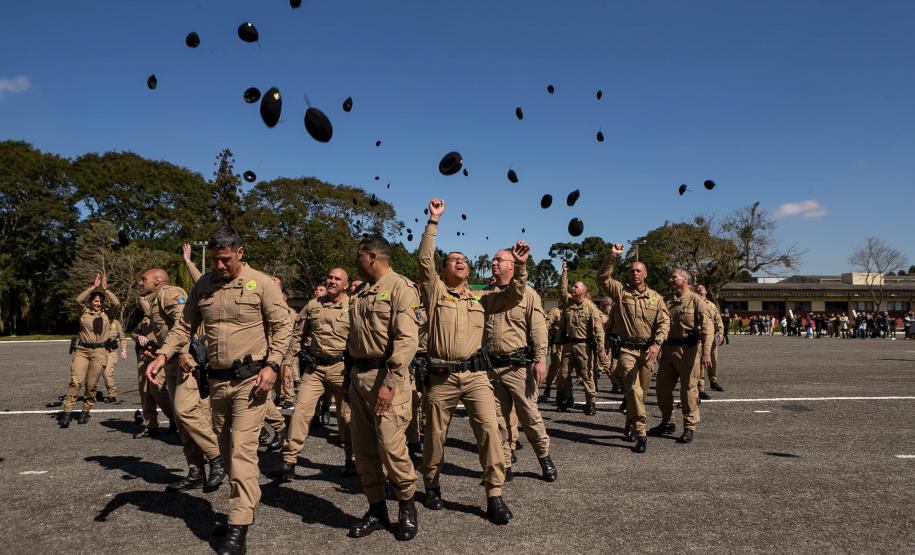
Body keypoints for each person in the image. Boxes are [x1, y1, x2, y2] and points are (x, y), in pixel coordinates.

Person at [146, 227, 293, 555]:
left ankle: (238, 524)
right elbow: (184, 326)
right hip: (216, 383)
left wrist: (273, 365)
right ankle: (244, 506)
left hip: (251, 382)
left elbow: (284, 325)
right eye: (215, 259)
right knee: (226, 452)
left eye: (225, 259)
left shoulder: (261, 284)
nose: (220, 265)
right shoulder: (204, 285)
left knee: (241, 452)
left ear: (240, 252)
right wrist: (163, 355)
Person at [418, 198, 528, 525]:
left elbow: (514, 295)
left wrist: (520, 266)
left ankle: (494, 494)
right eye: (453, 260)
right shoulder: (435, 292)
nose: (460, 262)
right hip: (441, 377)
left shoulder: (481, 299)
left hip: (476, 376)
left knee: (491, 430)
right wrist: (434, 221)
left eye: (464, 260)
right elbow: (424, 260)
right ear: (444, 270)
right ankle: (432, 484)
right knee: (434, 436)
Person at [345, 235, 421, 542]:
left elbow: (407, 341)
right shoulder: (361, 292)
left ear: (372, 256)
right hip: (358, 378)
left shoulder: (401, 287)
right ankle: (376, 509)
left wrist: (389, 383)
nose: (356, 261)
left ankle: (406, 505)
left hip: (387, 378)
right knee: (364, 450)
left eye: (359, 256)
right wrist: (348, 379)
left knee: (391, 447)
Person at [138, 267, 226, 494]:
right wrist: (156, 350)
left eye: (144, 279)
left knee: (185, 410)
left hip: (186, 361)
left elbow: (185, 323)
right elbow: (167, 333)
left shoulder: (170, 293)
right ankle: (195, 470)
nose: (140, 282)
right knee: (181, 420)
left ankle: (216, 457)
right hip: (172, 362)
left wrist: (185, 353)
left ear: (158, 280)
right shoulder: (156, 300)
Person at [269, 267, 356, 480]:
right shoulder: (313, 305)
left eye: (337, 279)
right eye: (330, 277)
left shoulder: (354, 306)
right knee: (300, 412)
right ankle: (289, 461)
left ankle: (352, 459)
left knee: (346, 416)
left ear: (346, 285)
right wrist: (287, 364)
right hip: (314, 368)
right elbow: (297, 336)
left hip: (342, 369)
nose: (332, 281)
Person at [483, 247, 556, 483]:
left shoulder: (528, 294)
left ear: (511, 266)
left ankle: (544, 457)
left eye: (499, 259)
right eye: (493, 259)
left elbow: (538, 330)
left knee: (530, 416)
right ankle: (505, 464)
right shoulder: (485, 295)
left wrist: (540, 360)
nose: (494, 263)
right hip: (491, 368)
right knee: (498, 421)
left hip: (518, 367)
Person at [597, 244, 670, 453]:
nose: (634, 273)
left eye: (638, 270)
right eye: (631, 270)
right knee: (633, 389)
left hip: (648, 351)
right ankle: (641, 433)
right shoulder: (621, 292)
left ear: (645, 274)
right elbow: (602, 278)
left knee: (641, 393)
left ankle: (630, 421)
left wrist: (657, 343)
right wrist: (612, 257)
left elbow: (664, 322)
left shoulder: (655, 297)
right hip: (627, 350)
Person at [649, 271, 713, 444]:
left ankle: (689, 427)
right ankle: (667, 422)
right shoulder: (666, 301)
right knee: (662, 388)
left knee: (688, 390)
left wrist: (706, 352)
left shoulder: (696, 300)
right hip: (668, 351)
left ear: (685, 280)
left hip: (688, 351)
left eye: (674, 277)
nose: (671, 279)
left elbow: (707, 328)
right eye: (671, 277)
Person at [59, 273, 120, 427]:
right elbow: (78, 300)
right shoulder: (83, 311)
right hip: (82, 350)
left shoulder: (108, 314)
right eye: (96, 300)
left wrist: (106, 289)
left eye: (100, 301)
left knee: (92, 384)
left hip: (99, 352)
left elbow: (117, 303)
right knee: (76, 381)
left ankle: (85, 411)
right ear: (91, 301)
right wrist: (92, 287)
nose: (98, 303)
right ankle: (67, 412)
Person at [556, 261, 608, 415]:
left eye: (576, 287)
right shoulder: (568, 303)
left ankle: (590, 403)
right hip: (568, 345)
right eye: (573, 287)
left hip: (584, 346)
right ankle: (566, 399)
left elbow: (598, 330)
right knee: (563, 374)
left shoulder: (590, 306)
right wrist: (564, 272)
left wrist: (601, 349)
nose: (573, 288)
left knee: (586, 375)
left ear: (584, 291)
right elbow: (562, 289)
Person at [131, 294, 175, 438]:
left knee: (157, 389)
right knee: (144, 392)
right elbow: (134, 332)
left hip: (159, 356)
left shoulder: (164, 317)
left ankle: (175, 418)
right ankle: (151, 426)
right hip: (144, 357)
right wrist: (139, 336)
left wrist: (156, 351)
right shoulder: (144, 319)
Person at [696, 284, 724, 398]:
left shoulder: (712, 305)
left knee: (713, 361)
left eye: (701, 288)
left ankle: (713, 381)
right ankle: (700, 389)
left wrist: (721, 332)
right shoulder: (694, 303)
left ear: (706, 291)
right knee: (701, 364)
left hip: (711, 338)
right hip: (699, 339)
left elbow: (718, 319)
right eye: (697, 288)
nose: (698, 289)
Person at [97, 317, 127, 403]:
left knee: (107, 372)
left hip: (111, 352)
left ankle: (112, 394)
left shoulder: (115, 322)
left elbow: (122, 338)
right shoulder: (96, 320)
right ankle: (92, 392)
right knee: (94, 372)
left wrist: (123, 350)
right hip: (98, 351)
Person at [539, 306, 563, 401]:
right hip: (557, 345)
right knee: (556, 367)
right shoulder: (555, 311)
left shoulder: (582, 308)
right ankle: (550, 389)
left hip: (573, 344)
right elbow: (545, 326)